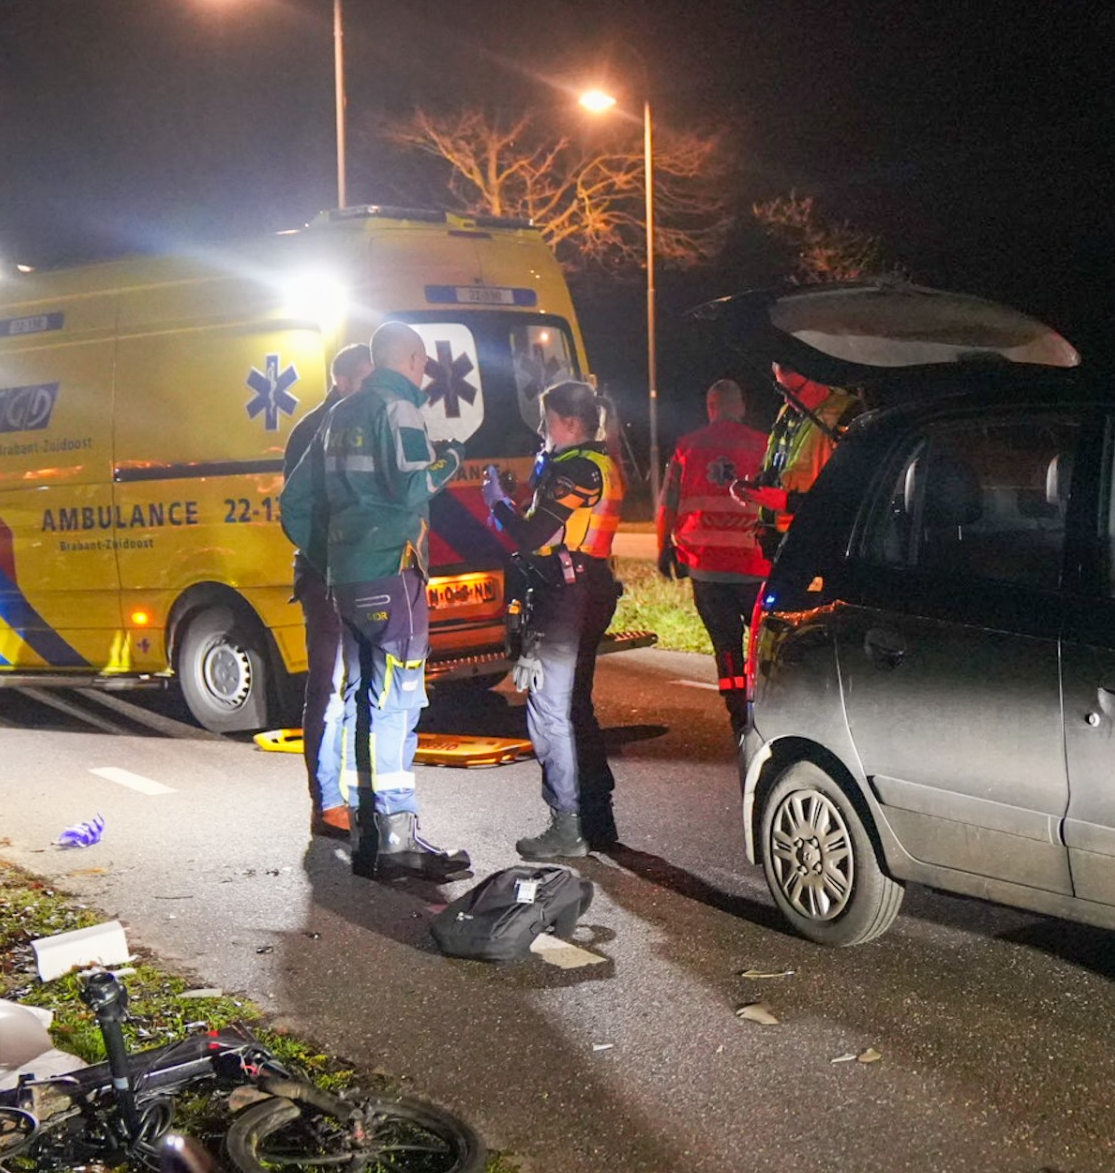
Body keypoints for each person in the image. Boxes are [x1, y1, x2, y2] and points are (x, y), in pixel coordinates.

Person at [281, 321, 470, 880]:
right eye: (421, 362)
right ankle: (396, 840)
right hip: (392, 571)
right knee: (396, 706)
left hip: (344, 578)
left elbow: (294, 503)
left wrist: (336, 554)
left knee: (363, 700)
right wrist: (452, 460)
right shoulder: (398, 409)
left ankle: (367, 834)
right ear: (410, 360)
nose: (423, 371)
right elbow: (414, 486)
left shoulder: (335, 415)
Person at [483, 380, 626, 858]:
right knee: (574, 707)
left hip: (565, 598)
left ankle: (567, 825)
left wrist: (496, 501)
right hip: (581, 592)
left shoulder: (580, 470)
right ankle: (594, 817)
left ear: (567, 422)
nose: (542, 430)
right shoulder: (588, 464)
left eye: (546, 421)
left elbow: (529, 535)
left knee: (550, 714)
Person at [280, 342, 371, 840]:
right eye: (363, 379)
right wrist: (332, 561)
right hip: (325, 576)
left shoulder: (362, 424)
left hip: (362, 574)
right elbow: (300, 510)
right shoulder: (313, 431)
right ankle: (326, 803)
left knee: (360, 689)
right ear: (341, 380)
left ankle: (356, 796)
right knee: (329, 687)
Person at [656, 379, 770, 732]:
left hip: (706, 567)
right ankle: (768, 704)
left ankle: (738, 715)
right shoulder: (763, 445)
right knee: (764, 643)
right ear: (741, 407)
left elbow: (668, 503)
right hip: (755, 565)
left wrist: (663, 547)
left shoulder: (687, 448)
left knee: (726, 645)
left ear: (710, 407)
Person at [729, 363, 860, 552]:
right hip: (780, 543)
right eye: (782, 391)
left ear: (817, 377)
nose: (788, 400)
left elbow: (850, 499)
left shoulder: (849, 415)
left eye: (794, 391)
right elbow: (781, 468)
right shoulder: (787, 414)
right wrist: (755, 487)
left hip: (817, 545)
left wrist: (787, 502)